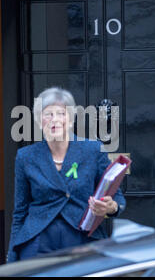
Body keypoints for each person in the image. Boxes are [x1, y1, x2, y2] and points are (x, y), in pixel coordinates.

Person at [7, 87, 126, 262]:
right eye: (48, 114)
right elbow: (20, 212)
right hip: (38, 242)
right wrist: (12, 256)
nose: (55, 120)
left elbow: (118, 199)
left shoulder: (92, 150)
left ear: (70, 119)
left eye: (61, 114)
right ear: (40, 121)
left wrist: (110, 207)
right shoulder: (26, 156)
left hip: (82, 238)